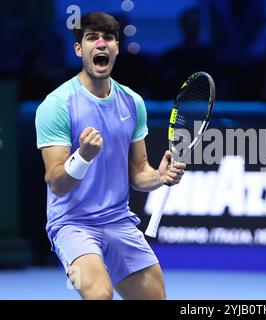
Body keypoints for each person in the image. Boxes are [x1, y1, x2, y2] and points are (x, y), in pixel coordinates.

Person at [34, 12, 186, 300]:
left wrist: (159, 176)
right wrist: (83, 156)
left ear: (117, 47)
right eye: (92, 38)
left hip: (118, 221)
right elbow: (56, 182)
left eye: (108, 38)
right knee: (100, 295)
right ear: (79, 49)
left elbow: (139, 172)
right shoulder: (56, 105)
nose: (101, 44)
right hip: (71, 224)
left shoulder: (132, 102)